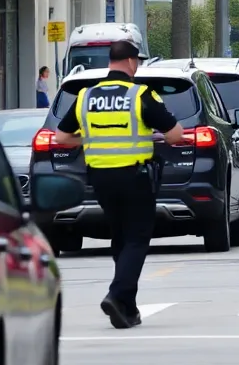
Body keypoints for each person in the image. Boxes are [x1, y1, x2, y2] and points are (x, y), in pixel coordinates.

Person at [54, 40, 183, 329]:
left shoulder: (86, 96)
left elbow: (60, 138)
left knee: (121, 238)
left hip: (99, 178)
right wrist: (156, 137)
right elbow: (175, 135)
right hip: (134, 176)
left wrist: (90, 141)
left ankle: (127, 308)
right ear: (130, 62)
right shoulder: (139, 95)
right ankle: (116, 294)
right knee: (137, 238)